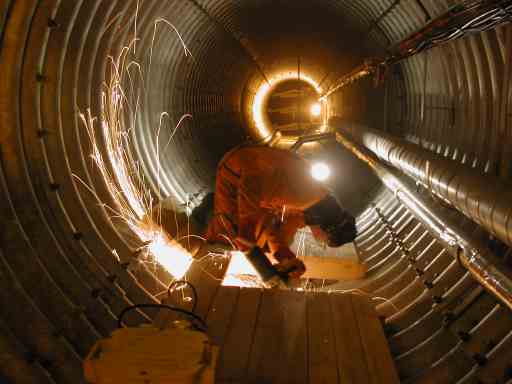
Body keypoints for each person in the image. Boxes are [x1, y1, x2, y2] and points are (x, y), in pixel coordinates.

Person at [198, 144, 357, 279]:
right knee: (231, 233)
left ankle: (211, 211)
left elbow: (276, 230)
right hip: (237, 169)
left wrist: (285, 257)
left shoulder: (308, 210)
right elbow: (252, 183)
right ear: (328, 228)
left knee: (258, 240)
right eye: (323, 240)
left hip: (259, 192)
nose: (318, 240)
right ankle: (203, 257)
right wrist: (247, 228)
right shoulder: (305, 193)